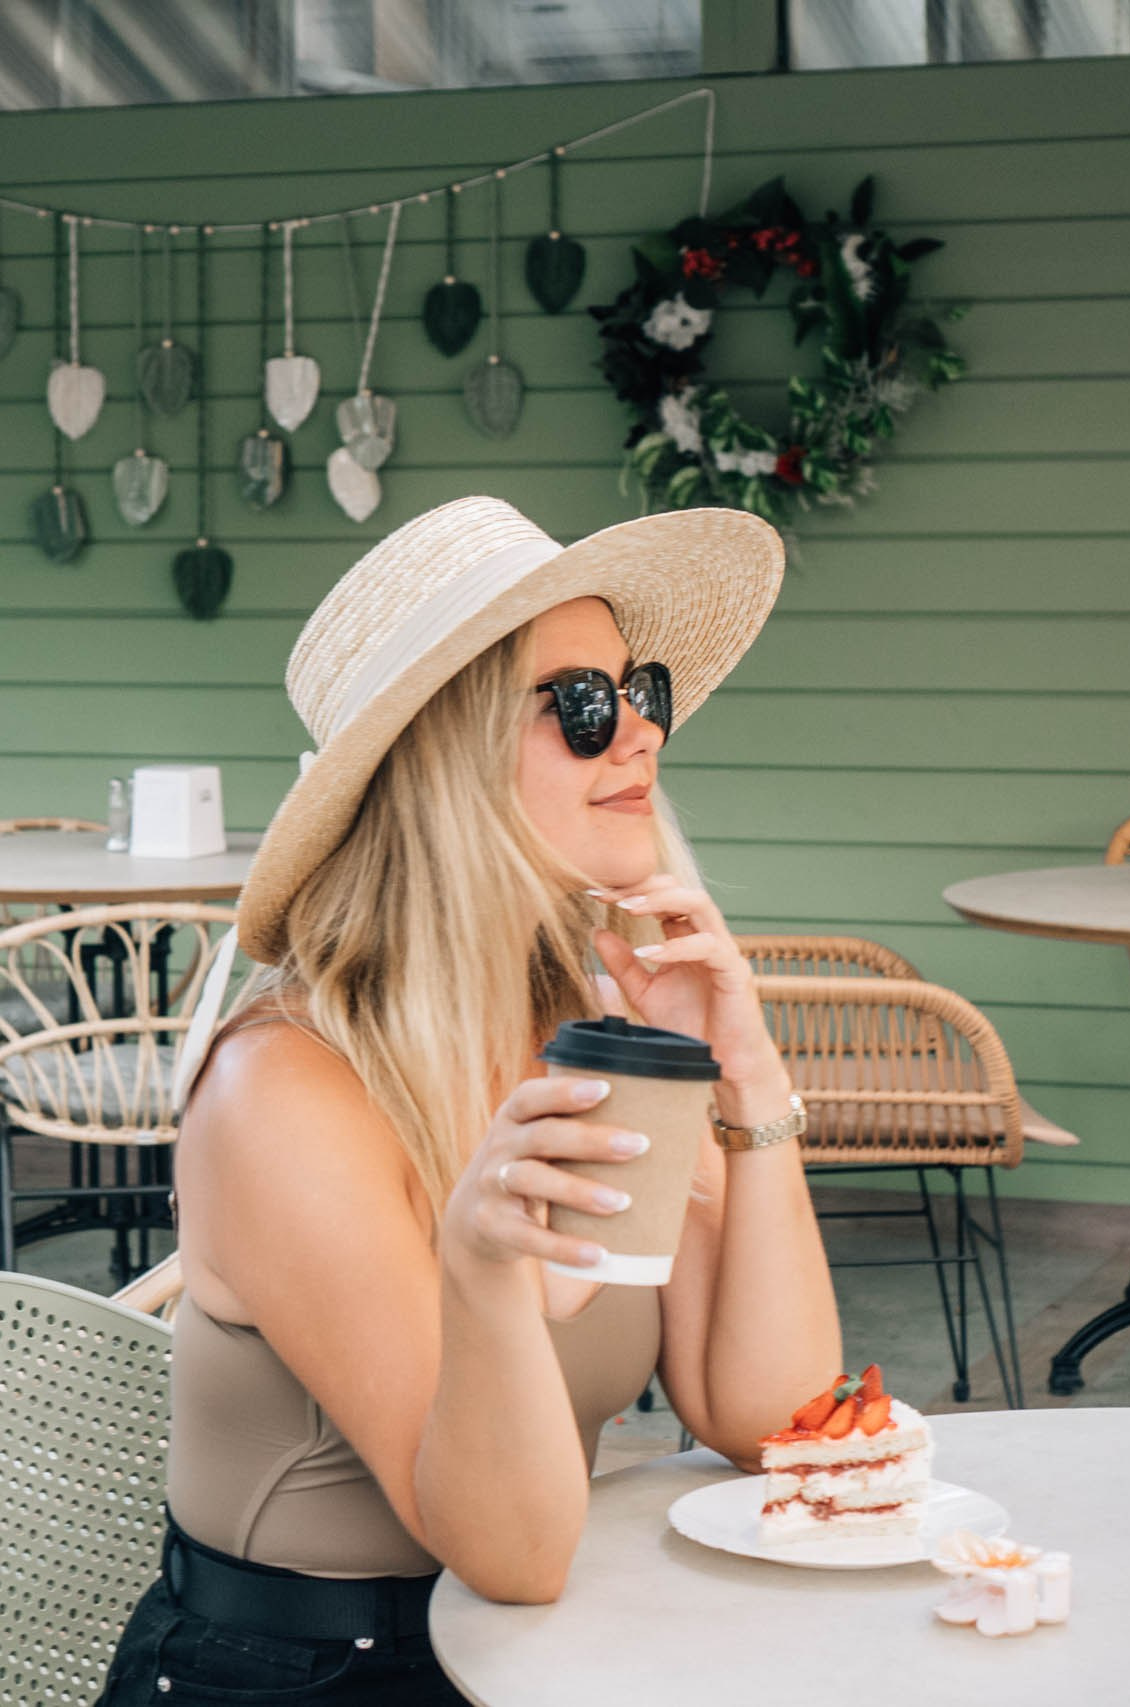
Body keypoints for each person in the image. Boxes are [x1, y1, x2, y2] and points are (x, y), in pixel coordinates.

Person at [100, 496, 841, 1704]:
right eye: (587, 707)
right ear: (442, 761)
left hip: (527, 1652)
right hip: (305, 1673)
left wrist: (747, 1091)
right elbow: (507, 1550)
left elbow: (772, 1416)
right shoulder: (286, 1085)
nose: (642, 738)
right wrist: (483, 1265)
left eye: (640, 691)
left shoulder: (591, 1027)